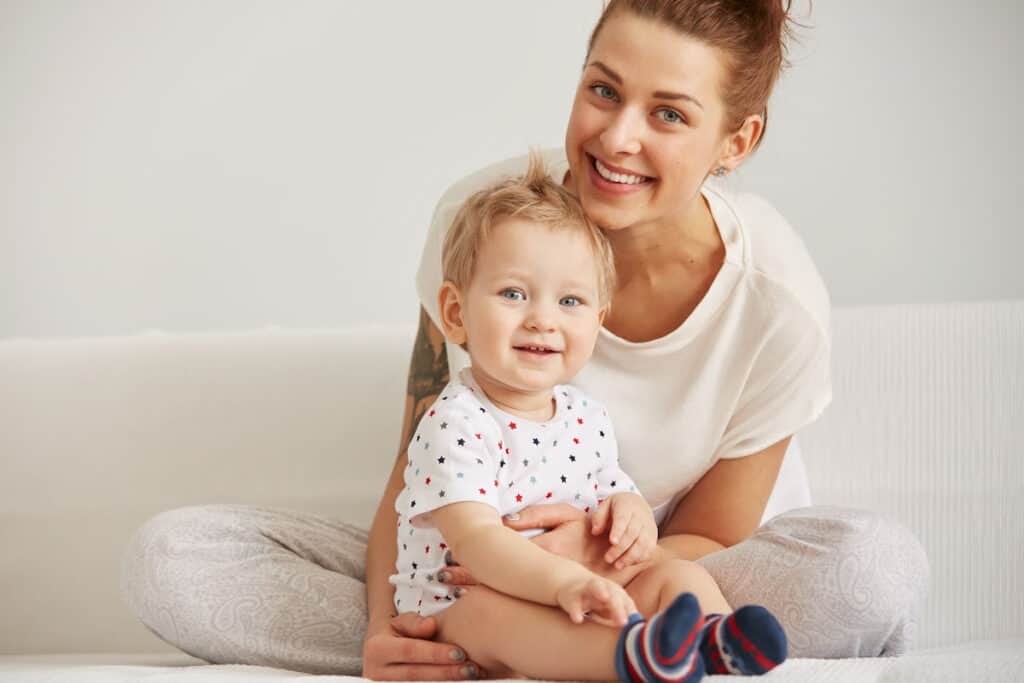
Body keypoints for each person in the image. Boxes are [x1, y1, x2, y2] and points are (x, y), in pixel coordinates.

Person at [121, 0, 929, 678]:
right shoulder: (486, 222)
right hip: (470, 561)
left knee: (873, 571)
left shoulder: (776, 303)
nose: (617, 138)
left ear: (736, 141)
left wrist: (578, 560)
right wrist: (383, 625)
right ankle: (501, 644)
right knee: (173, 560)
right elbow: (419, 473)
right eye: (603, 91)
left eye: (669, 114)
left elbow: (718, 533)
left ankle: (597, 643)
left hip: (662, 563)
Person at [392, 152, 787, 681]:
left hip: (579, 587)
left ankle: (715, 638)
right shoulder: (454, 422)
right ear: (456, 313)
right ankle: (629, 659)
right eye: (513, 293)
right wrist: (562, 584)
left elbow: (610, 493)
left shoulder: (584, 415)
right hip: (459, 604)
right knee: (493, 616)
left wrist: (631, 514)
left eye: (571, 301)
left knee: (672, 573)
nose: (542, 320)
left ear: (598, 321)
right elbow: (478, 543)